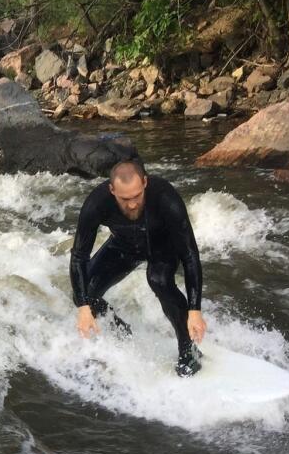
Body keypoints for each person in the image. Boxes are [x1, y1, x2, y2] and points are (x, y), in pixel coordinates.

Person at [69, 161, 207, 376]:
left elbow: (190, 254)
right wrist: (83, 309)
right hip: (124, 244)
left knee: (158, 280)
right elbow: (79, 256)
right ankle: (121, 331)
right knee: (84, 294)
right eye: (125, 199)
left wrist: (195, 309)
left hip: (162, 245)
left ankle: (188, 351)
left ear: (144, 182)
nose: (132, 204)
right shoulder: (97, 203)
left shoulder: (165, 197)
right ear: (112, 190)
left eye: (137, 196)